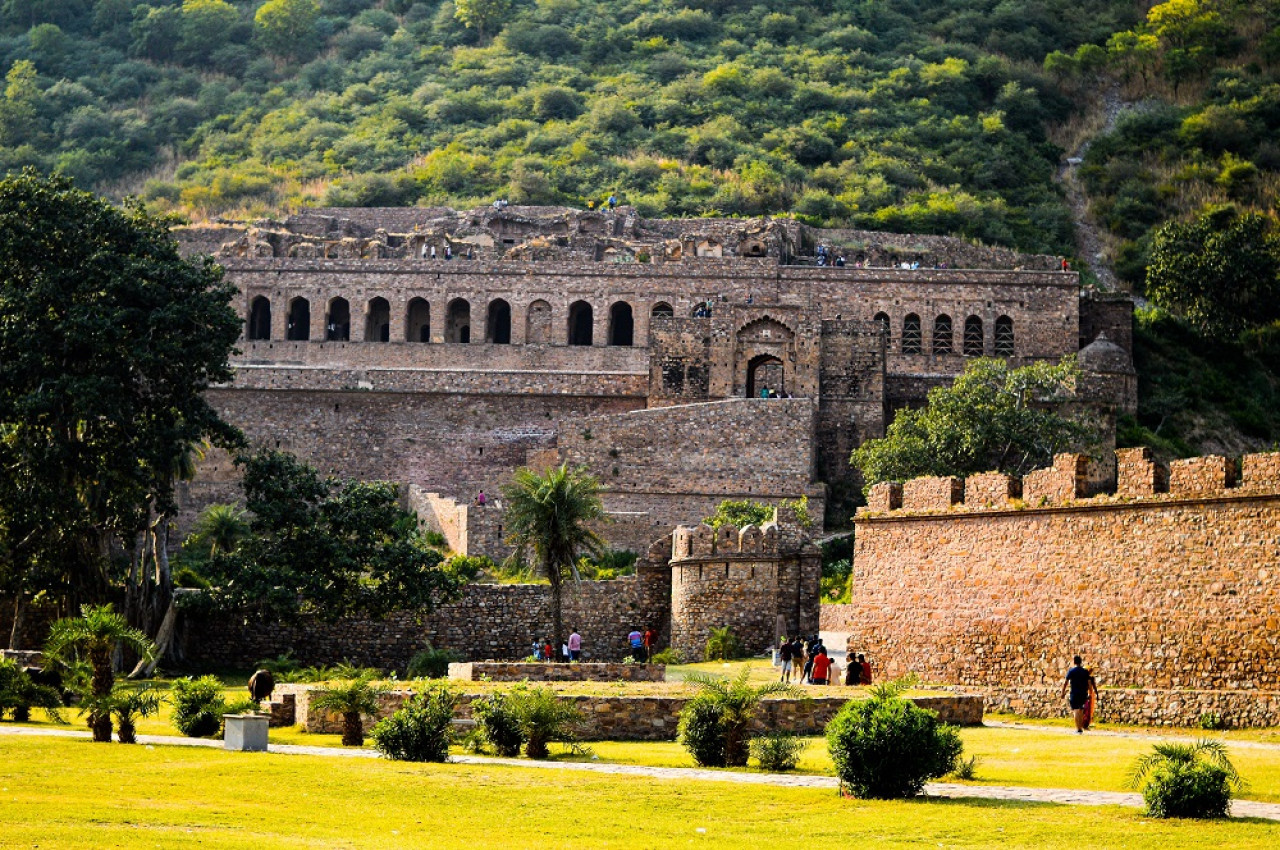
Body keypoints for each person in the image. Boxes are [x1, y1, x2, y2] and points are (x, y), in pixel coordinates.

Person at [1060, 655, 1099, 733]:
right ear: (1081, 662)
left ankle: (1078, 729)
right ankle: (1080, 728)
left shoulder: (1071, 671)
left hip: (1074, 693)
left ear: (1074, 662)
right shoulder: (1085, 672)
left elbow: (1065, 682)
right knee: (1081, 710)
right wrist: (1090, 693)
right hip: (1083, 693)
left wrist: (1063, 692)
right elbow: (1089, 683)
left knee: (1076, 710)